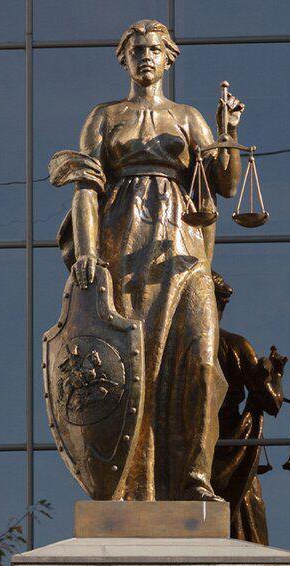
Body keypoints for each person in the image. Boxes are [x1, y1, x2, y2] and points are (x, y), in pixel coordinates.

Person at [48, 19, 245, 501]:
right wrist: (88, 253)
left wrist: (228, 133)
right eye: (137, 51)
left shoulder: (188, 118)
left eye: (154, 50)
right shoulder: (105, 117)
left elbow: (225, 183)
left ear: (168, 58)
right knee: (135, 366)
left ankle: (194, 477)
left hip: (183, 252)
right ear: (125, 60)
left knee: (200, 363)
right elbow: (86, 188)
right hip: (124, 246)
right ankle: (132, 485)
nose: (146, 58)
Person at [210, 271, 287, 544]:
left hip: (197, 450)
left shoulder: (176, 348)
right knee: (246, 516)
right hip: (233, 449)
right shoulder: (235, 345)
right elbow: (271, 402)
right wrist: (276, 374)